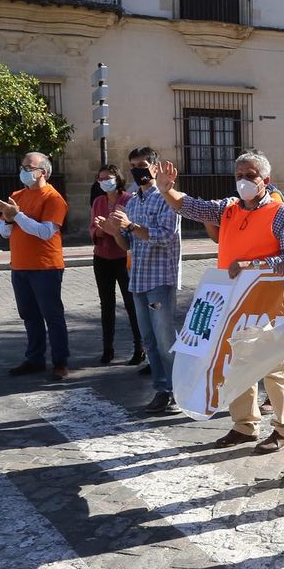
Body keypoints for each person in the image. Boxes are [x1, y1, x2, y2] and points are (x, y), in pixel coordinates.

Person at [152, 151, 284, 453]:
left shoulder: (280, 212)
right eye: (239, 176)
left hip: (267, 300)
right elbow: (192, 207)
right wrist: (167, 190)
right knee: (235, 362)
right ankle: (245, 425)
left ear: (266, 180)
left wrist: (253, 265)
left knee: (271, 364)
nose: (244, 181)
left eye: (250, 175)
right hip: (232, 301)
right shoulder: (228, 209)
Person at [103, 147, 182, 414]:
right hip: (137, 279)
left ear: (155, 167)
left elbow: (164, 237)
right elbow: (128, 244)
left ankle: (177, 390)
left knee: (165, 339)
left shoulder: (166, 198)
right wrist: (115, 232)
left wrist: (129, 226)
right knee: (149, 340)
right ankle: (161, 389)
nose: (138, 170)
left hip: (160, 279)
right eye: (133, 165)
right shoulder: (133, 202)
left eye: (143, 165)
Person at [0, 151, 70, 380]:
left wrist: (17, 216)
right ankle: (35, 358)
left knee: (52, 316)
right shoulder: (17, 195)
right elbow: (4, 231)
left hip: (45, 266)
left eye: (29, 167)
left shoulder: (53, 198)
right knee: (29, 315)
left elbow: (46, 232)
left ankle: (60, 361)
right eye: (22, 167)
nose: (23, 171)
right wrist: (9, 219)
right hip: (20, 265)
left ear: (43, 172)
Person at [88, 164, 144, 366]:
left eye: (108, 178)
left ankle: (139, 347)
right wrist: (102, 230)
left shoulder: (129, 200)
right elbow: (92, 229)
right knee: (106, 303)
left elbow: (132, 229)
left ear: (117, 178)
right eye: (101, 179)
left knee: (131, 303)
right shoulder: (98, 201)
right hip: (102, 257)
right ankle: (107, 348)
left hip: (123, 257)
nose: (104, 182)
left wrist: (116, 229)